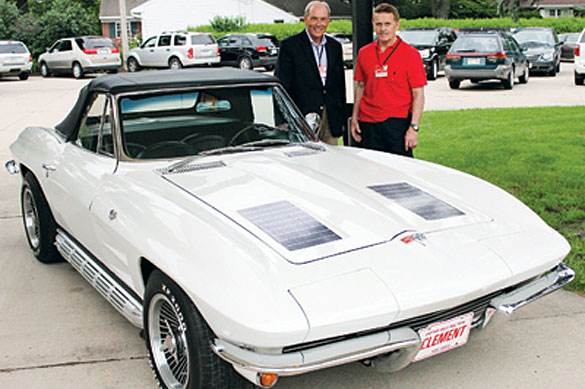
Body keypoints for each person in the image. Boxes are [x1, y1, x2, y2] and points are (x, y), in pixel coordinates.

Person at [350, 3, 426, 157]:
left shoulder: (411, 54)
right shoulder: (364, 53)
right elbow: (361, 87)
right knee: (369, 171)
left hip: (397, 123)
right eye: (378, 24)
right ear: (373, 25)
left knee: (400, 172)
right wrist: (355, 118)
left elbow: (418, 94)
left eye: (387, 24)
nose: (383, 28)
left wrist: (414, 128)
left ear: (397, 25)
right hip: (368, 123)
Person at [275, 1, 346, 145]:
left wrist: (342, 118)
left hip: (330, 119)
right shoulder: (290, 46)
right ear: (305, 19)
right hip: (301, 119)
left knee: (332, 161)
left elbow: (340, 85)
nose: (318, 24)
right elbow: (281, 85)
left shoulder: (335, 47)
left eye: (323, 19)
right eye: (314, 18)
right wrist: (283, 121)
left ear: (328, 21)